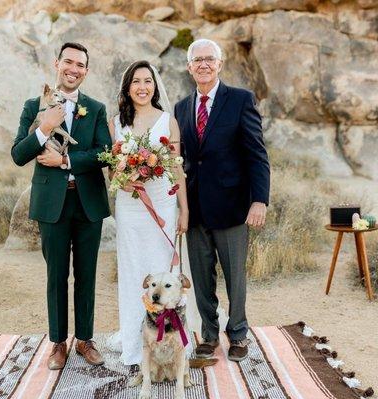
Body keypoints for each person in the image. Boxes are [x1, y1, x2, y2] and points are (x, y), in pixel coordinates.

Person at [11, 42, 111, 370]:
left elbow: (103, 153)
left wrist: (66, 159)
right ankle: (57, 343)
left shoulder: (95, 108)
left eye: (80, 64)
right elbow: (18, 154)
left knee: (86, 274)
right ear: (57, 63)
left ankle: (85, 339)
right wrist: (44, 128)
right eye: (68, 62)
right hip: (51, 204)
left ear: (86, 70)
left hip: (88, 204)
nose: (73, 68)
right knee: (57, 275)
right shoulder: (33, 106)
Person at [173, 39, 270, 362]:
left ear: (219, 63)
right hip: (196, 210)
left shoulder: (240, 100)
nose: (203, 64)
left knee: (234, 277)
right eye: (197, 60)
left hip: (232, 207)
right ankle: (210, 334)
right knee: (201, 277)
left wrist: (260, 201)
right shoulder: (182, 108)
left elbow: (257, 154)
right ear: (189, 67)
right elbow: (181, 161)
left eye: (209, 59)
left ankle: (239, 334)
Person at [107, 60, 189, 366]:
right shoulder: (116, 123)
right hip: (130, 207)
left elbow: (178, 170)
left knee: (163, 274)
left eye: (148, 81)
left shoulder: (168, 121)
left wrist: (184, 209)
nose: (143, 87)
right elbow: (112, 168)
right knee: (132, 276)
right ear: (127, 88)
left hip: (162, 206)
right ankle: (134, 347)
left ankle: (169, 346)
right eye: (136, 82)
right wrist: (125, 178)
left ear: (155, 87)